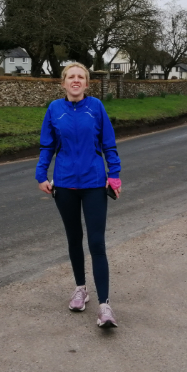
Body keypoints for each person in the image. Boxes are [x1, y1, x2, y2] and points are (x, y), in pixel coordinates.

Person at [36, 62, 122, 328]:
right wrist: (41, 174)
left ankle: (105, 306)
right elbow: (47, 145)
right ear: (63, 83)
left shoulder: (96, 107)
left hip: (94, 183)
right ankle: (80, 289)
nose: (75, 81)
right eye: (71, 77)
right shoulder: (54, 109)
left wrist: (114, 174)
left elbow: (108, 144)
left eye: (80, 77)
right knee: (74, 239)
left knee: (96, 243)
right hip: (64, 184)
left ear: (86, 83)